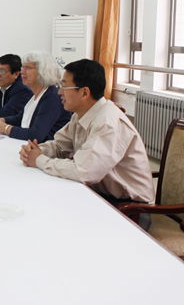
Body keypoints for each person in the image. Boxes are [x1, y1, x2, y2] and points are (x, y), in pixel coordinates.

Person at [19, 59, 154, 212]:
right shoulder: (81, 114)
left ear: (84, 92)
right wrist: (37, 150)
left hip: (129, 208)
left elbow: (84, 172)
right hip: (98, 193)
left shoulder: (108, 122)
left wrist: (39, 160)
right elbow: (60, 146)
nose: (59, 92)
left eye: (64, 86)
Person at [0, 51, 71, 142]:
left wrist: (6, 128)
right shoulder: (37, 94)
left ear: (43, 71)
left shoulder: (52, 97)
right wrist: (2, 120)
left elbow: (36, 135)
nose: (22, 72)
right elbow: (21, 118)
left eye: (27, 68)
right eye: (22, 67)